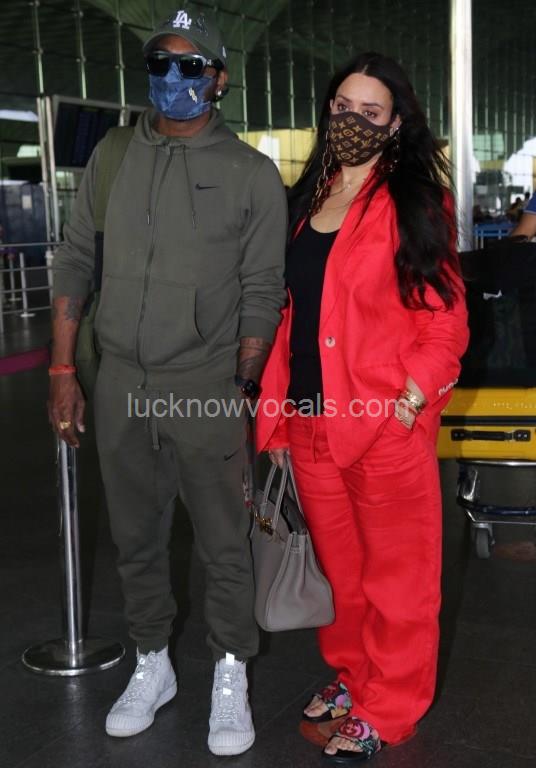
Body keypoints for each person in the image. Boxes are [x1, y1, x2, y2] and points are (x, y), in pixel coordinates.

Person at [48, 8, 287, 757]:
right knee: (135, 537)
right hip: (120, 379)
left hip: (206, 383)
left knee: (223, 543)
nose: (172, 79)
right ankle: (152, 661)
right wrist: (63, 368)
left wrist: (240, 388)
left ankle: (230, 670)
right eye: (160, 64)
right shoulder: (114, 155)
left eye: (190, 66)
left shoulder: (250, 173)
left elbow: (262, 288)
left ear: (218, 79)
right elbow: (75, 259)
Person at [255, 52, 469, 762]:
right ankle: (355, 677)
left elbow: (446, 320)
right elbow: (292, 314)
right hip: (310, 422)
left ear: (396, 123)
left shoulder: (414, 204)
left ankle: (392, 705)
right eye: (342, 107)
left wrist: (410, 400)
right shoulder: (306, 199)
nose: (351, 121)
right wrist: (277, 414)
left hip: (382, 425)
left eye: (370, 112)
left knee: (398, 581)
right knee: (342, 578)